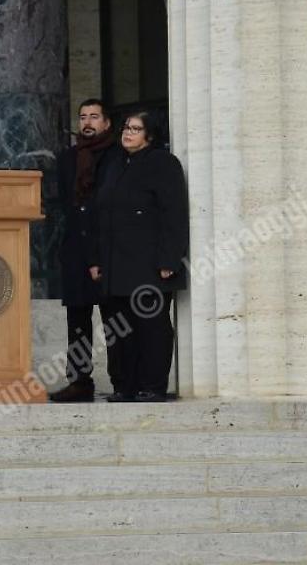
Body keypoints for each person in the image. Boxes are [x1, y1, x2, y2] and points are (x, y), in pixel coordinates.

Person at [87, 110, 188, 403]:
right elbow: (100, 215)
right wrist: (95, 259)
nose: (127, 133)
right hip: (114, 264)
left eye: (135, 129)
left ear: (150, 135)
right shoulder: (114, 164)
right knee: (117, 328)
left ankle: (152, 386)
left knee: (151, 328)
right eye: (126, 128)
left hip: (150, 265)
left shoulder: (163, 163)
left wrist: (170, 260)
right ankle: (124, 386)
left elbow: (174, 214)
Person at [49, 99, 117, 403]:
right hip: (76, 248)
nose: (87, 122)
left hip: (109, 247)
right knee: (77, 320)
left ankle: (122, 380)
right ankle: (78, 381)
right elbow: (65, 203)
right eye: (83, 117)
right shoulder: (68, 158)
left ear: (106, 122)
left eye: (94, 117)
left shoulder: (117, 155)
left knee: (115, 318)